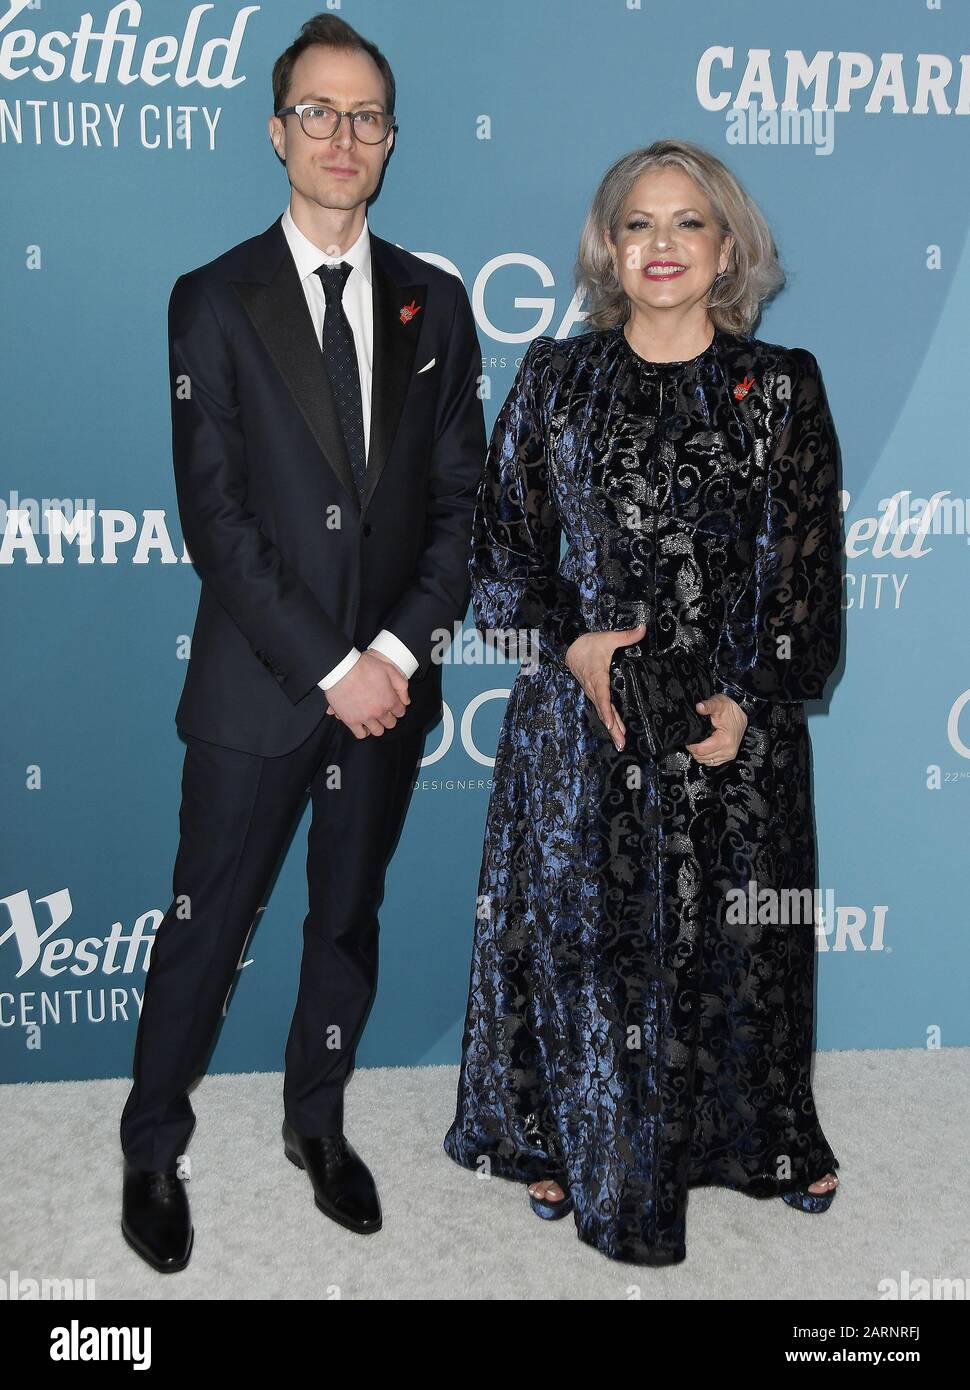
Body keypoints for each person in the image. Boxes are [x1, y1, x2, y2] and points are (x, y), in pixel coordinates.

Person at [120, 13, 485, 1272]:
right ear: (279, 132)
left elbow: (457, 506)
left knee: (343, 921)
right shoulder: (213, 300)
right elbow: (215, 519)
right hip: (260, 691)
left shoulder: (433, 304)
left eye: (366, 115)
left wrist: (394, 651)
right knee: (205, 927)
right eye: (318, 112)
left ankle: (315, 1127)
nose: (343, 136)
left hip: (386, 692)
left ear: (389, 141)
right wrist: (339, 668)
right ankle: (152, 1148)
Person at [444, 138, 843, 1265]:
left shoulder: (780, 386)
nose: (660, 244)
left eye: (686, 223)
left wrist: (747, 706)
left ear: (727, 248)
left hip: (727, 725)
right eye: (637, 224)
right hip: (582, 728)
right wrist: (574, 652)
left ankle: (760, 1134)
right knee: (582, 942)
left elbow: (803, 575)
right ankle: (559, 1134)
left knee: (736, 942)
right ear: (607, 249)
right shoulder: (554, 376)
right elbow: (504, 559)